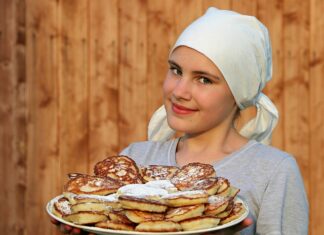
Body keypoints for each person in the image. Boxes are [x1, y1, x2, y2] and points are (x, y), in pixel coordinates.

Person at [53, 7, 308, 235]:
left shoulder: (274, 171)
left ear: (238, 92)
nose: (179, 91)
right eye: (176, 70)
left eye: (204, 79)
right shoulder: (136, 159)